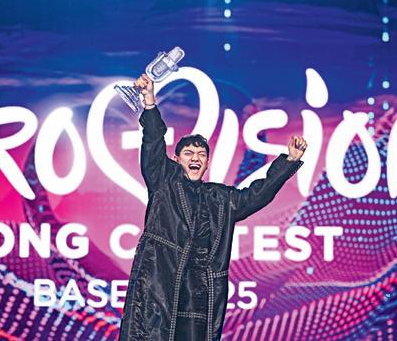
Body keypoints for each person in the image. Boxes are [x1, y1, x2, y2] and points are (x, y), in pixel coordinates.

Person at [118, 74, 307, 341]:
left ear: (206, 163)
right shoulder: (164, 181)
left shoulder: (221, 199)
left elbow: (258, 194)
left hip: (198, 298)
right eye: (189, 154)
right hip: (159, 287)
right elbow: (153, 142)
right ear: (177, 159)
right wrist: (149, 102)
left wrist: (288, 162)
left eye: (201, 155)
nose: (195, 158)